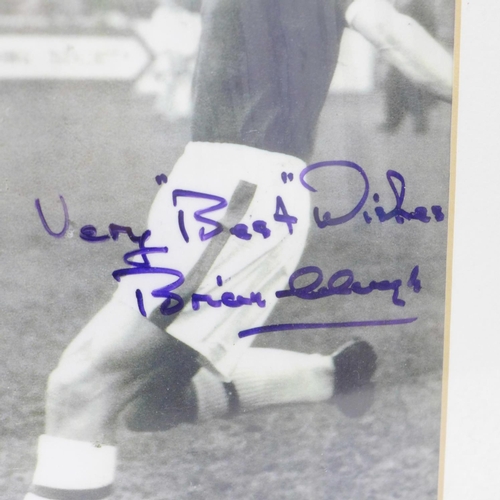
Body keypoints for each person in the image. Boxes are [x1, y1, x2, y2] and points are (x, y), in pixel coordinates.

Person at [25, 0, 453, 499]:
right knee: (152, 400)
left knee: (81, 386)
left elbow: (392, 29)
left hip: (237, 191)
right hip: (216, 186)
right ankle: (333, 375)